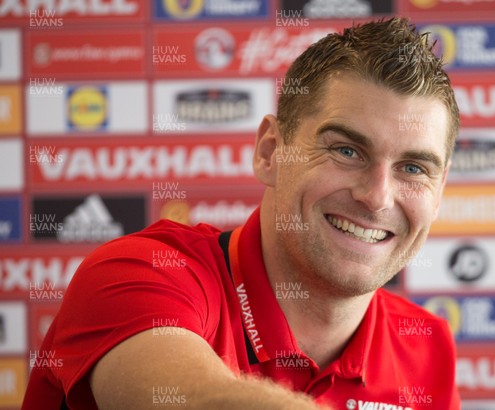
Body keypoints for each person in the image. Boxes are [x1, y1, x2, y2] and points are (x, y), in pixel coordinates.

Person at [23, 17, 461, 409]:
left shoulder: (427, 347)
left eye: (413, 168)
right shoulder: (138, 274)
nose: (378, 197)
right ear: (271, 151)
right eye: (346, 150)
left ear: (438, 193)